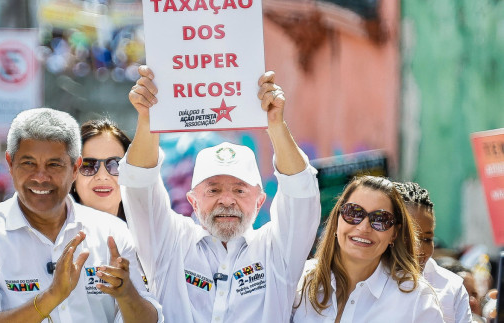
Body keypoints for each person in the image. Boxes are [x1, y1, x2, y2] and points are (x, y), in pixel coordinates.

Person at [121, 67, 320, 323]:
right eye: (213, 189)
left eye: (239, 190)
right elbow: (139, 184)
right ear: (193, 200)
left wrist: (275, 125)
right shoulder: (170, 242)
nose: (226, 200)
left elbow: (300, 191)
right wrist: (149, 120)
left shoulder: (276, 250)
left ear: (260, 202)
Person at [0, 108, 162, 323]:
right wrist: (52, 296)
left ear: (75, 168)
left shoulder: (112, 232)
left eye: (54, 164)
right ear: (10, 164)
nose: (41, 177)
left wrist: (127, 294)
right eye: (28, 164)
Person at [292, 175, 443, 322]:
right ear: (337, 220)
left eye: (380, 219)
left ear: (394, 233)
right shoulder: (299, 281)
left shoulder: (416, 299)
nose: (364, 227)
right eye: (353, 213)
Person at [394, 181, 472, 323]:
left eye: (427, 239)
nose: (419, 249)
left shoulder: (451, 288)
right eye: (410, 238)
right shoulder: (363, 280)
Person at [70, 119, 131, 220]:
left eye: (115, 164)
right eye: (88, 166)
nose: (102, 176)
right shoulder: (51, 234)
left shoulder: (146, 231)